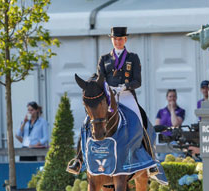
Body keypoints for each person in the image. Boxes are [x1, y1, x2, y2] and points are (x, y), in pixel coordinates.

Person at [67, 26, 158, 177]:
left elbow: (138, 81)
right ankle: (78, 160)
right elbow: (99, 78)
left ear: (125, 40)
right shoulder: (104, 58)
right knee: (87, 122)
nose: (118, 41)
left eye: (120, 39)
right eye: (115, 39)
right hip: (108, 96)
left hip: (126, 94)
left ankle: (151, 161)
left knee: (141, 121)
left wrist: (125, 86)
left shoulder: (132, 57)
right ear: (112, 40)